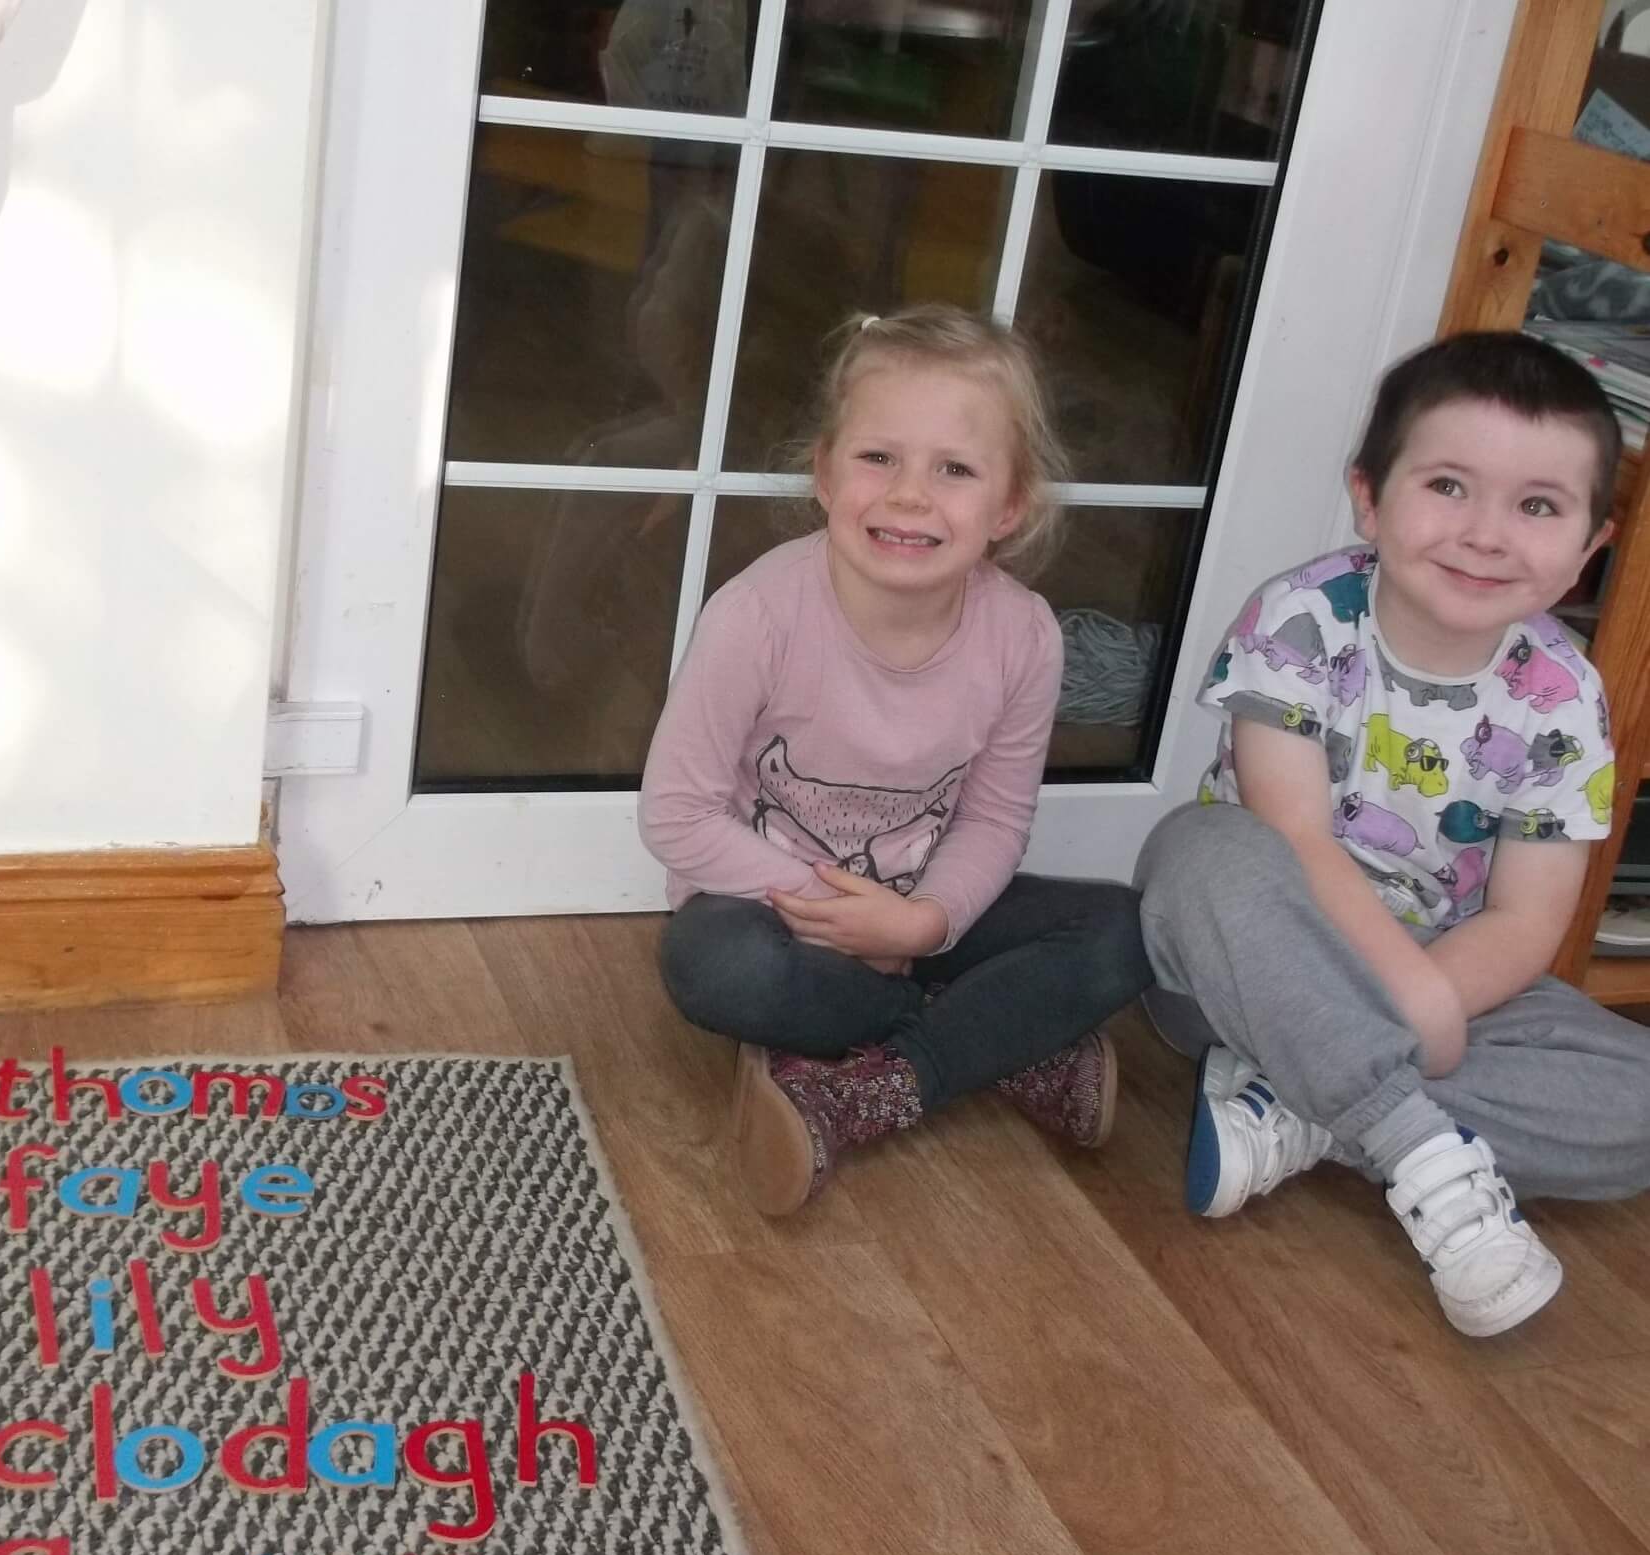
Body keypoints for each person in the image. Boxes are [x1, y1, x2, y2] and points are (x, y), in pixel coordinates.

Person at [1136, 330, 1650, 1337]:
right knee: (1196, 854)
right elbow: (1294, 837)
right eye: (1449, 486)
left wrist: (1429, 994)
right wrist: (1412, 1005)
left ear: (1591, 546)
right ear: (1369, 499)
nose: (1487, 534)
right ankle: (1416, 1148)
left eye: (1537, 506)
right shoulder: (1302, 619)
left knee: (1637, 1104)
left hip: (1440, 974)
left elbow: (1524, 919)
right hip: (1249, 966)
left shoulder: (1564, 695)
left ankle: (1306, 1115)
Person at [638, 304, 1152, 1214]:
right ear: (824, 473)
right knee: (716, 967)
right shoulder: (755, 616)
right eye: (879, 457)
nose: (910, 495)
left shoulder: (1024, 635)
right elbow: (676, 817)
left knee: (1126, 930)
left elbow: (994, 817)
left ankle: (870, 1085)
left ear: (1008, 506)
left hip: (922, 907)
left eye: (954, 469)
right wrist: (841, 917)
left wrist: (922, 926)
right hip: (774, 911)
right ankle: (998, 1041)